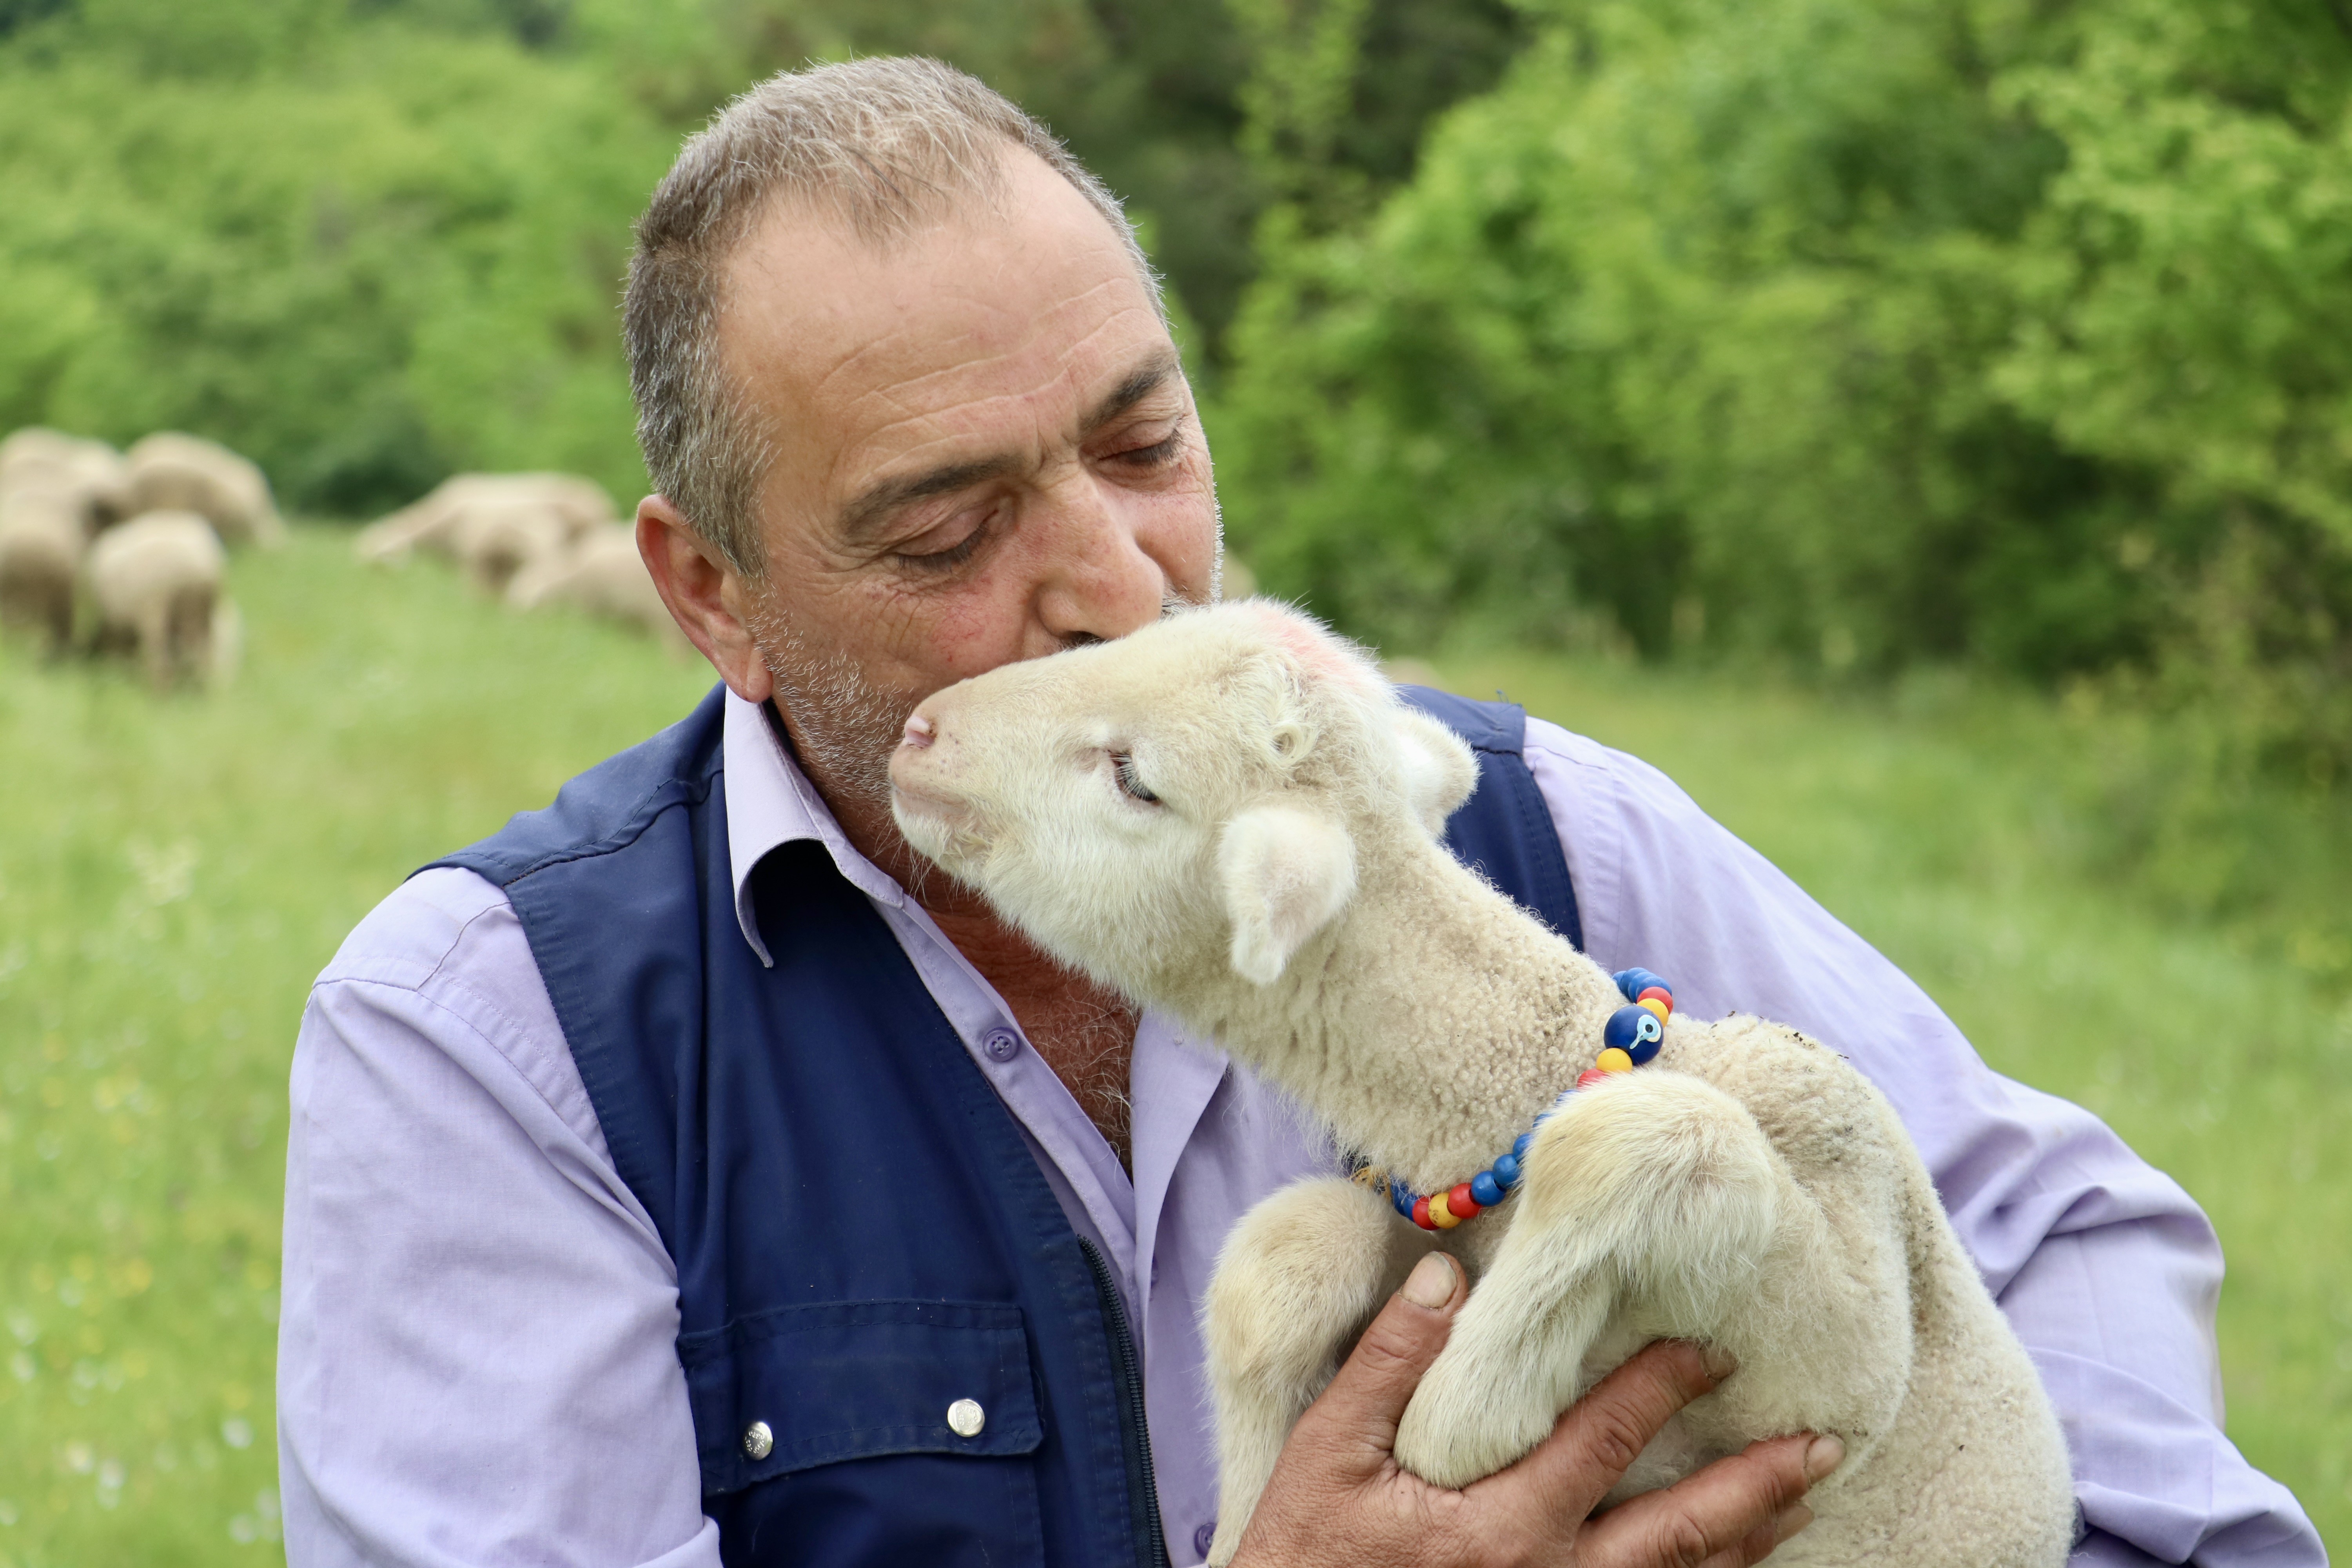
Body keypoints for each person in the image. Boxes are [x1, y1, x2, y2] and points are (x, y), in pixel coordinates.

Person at [275, 57, 2323, 1568]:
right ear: (711, 592)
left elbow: (2061, 1234)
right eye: (948, 529)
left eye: (1142, 443)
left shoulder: (1539, 838)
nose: (1122, 583)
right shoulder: (500, 1045)